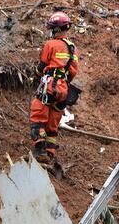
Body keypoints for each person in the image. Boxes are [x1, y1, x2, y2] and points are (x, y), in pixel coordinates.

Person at [29, 12, 81, 164]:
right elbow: (73, 71)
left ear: (56, 29)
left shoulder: (51, 44)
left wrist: (37, 75)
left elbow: (42, 65)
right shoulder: (73, 49)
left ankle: (40, 150)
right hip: (64, 89)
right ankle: (50, 153)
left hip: (50, 85)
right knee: (53, 119)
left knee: (38, 113)